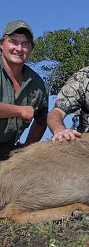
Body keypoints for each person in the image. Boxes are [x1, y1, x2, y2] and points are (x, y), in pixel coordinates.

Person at [0, 20, 48, 160]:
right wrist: (20, 111)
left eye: (25, 43)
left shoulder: (38, 84)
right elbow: (25, 112)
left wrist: (27, 148)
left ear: (31, 48)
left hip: (7, 152)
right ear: (2, 44)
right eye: (13, 41)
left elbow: (42, 120)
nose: (19, 48)